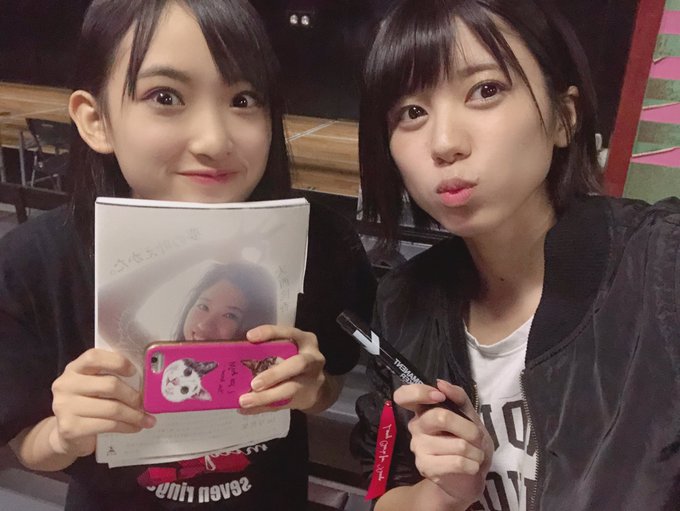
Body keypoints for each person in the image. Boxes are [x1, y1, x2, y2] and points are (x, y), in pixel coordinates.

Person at [0, 1, 375, 509]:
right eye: (165, 96)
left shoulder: (320, 243)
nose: (215, 140)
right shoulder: (31, 264)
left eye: (243, 99)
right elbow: (25, 442)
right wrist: (62, 435)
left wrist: (313, 389)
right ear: (96, 119)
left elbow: (328, 389)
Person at [350, 0, 680, 510]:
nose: (445, 143)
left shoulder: (660, 268)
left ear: (564, 117)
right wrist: (443, 492)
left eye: (485, 90)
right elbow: (384, 493)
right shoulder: (402, 303)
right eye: (412, 113)